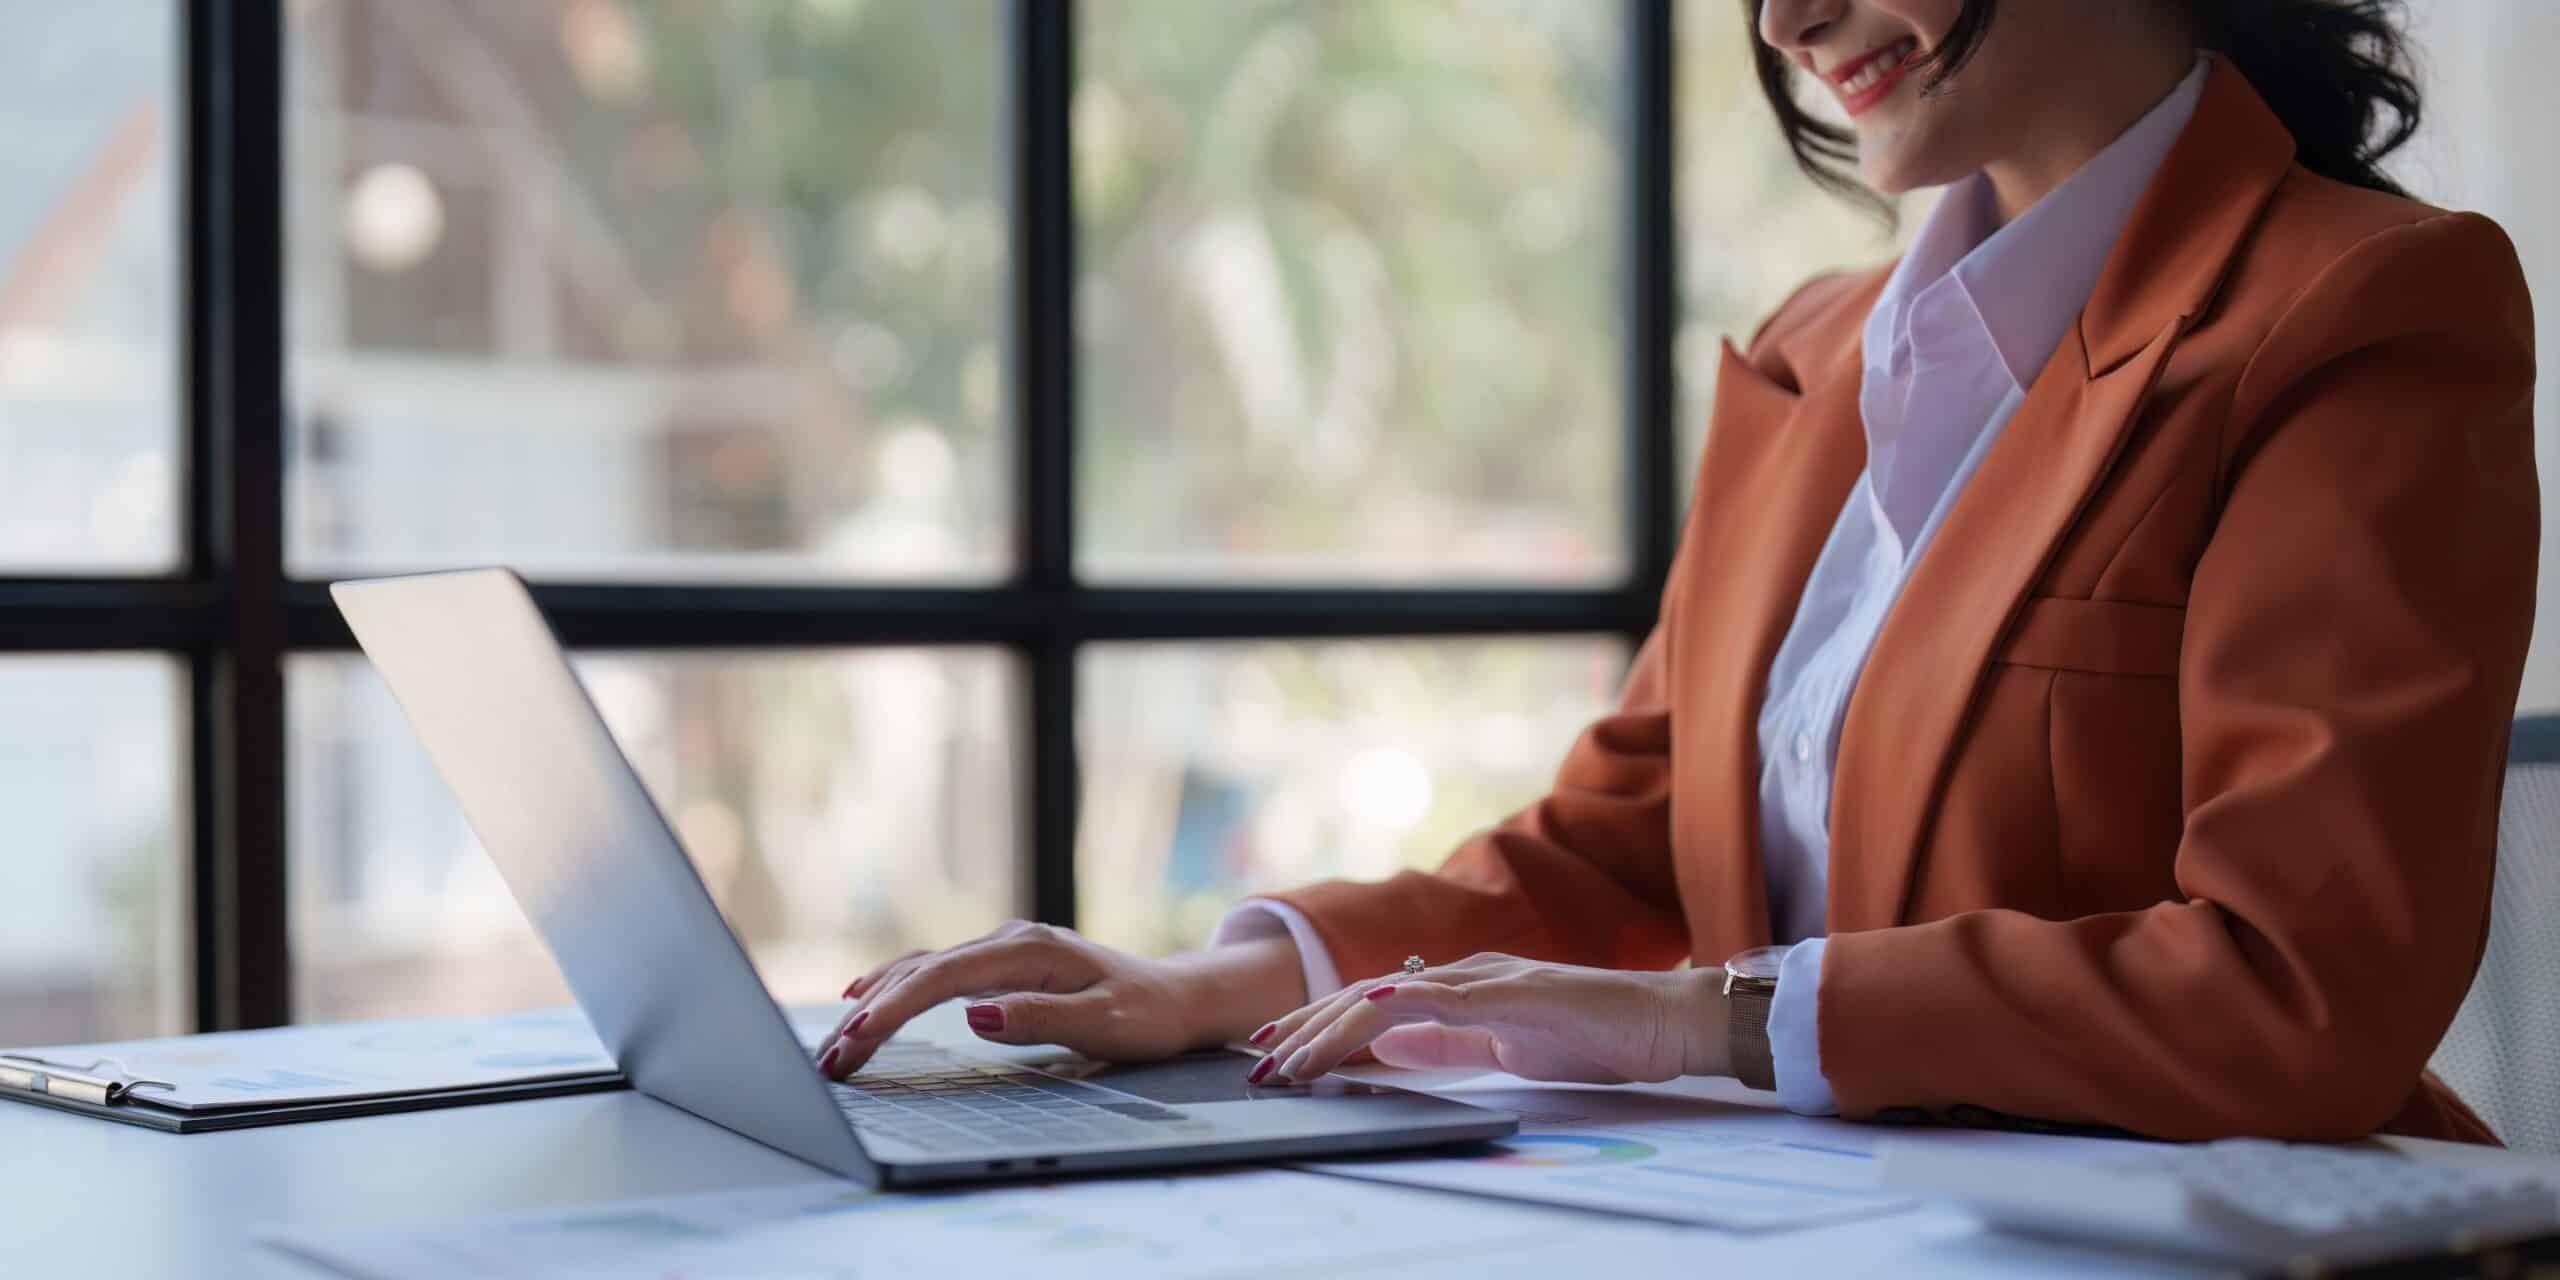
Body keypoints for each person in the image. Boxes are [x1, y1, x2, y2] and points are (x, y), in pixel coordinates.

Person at [817, 0, 2537, 1143]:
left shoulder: (2361, 311)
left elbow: (2301, 988)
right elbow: (1617, 851)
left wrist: (1694, 1022)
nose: (1784, 17)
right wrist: (1212, 986)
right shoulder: (1817, 356)